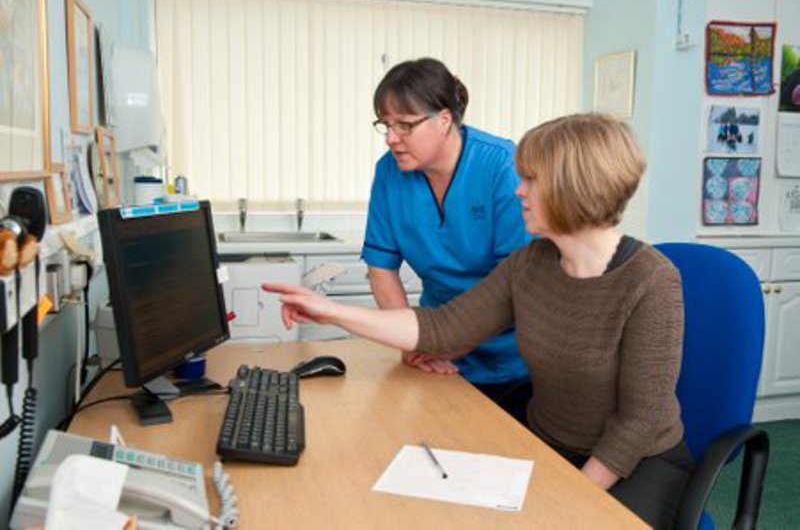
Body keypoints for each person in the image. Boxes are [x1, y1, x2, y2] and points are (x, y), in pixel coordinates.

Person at [264, 113, 693, 528]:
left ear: (573, 187)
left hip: (635, 462)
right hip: (546, 443)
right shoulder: (531, 264)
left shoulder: (651, 281)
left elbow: (640, 422)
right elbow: (442, 328)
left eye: (531, 180)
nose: (518, 192)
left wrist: (571, 497)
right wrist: (330, 311)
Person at [362, 57, 531, 423]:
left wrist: (448, 345)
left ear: (443, 119)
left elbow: (514, 283)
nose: (392, 138)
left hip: (512, 362)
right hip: (432, 353)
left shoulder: (502, 166)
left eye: (405, 125)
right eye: (386, 125)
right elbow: (381, 268)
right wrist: (411, 341)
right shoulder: (389, 172)